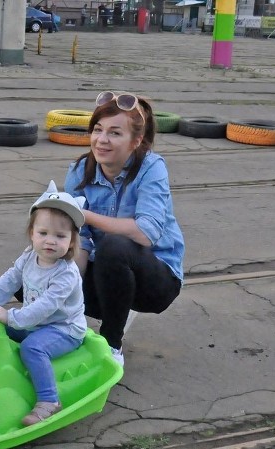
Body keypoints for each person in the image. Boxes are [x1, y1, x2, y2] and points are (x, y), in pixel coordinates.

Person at [64, 91, 185, 367]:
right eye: (97, 130)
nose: (102, 140)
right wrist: (64, 286)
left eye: (115, 133)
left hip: (156, 279)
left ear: (136, 141)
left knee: (115, 246)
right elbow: (79, 241)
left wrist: (85, 216)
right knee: (43, 265)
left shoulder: (151, 167)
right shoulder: (79, 171)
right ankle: (64, 331)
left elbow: (146, 232)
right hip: (108, 271)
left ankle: (110, 346)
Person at [0, 186, 88, 426]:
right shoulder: (28, 256)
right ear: (31, 233)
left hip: (63, 329)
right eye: (43, 232)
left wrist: (11, 317)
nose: (50, 241)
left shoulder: (65, 274)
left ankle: (49, 400)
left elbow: (45, 306)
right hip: (34, 322)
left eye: (60, 236)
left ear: (71, 241)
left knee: (32, 348)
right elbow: (11, 277)